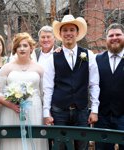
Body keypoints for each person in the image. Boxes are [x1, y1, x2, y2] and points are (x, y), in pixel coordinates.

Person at [43, 14, 100, 150]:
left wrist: (95, 110)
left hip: (82, 111)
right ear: (61, 33)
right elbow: (48, 87)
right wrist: (46, 113)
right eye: (65, 30)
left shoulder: (89, 55)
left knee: (82, 146)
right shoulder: (53, 57)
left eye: (71, 30)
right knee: (60, 147)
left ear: (77, 32)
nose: (68, 33)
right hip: (59, 111)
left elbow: (94, 84)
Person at [0, 32, 48, 150]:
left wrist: (46, 114)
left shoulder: (39, 69)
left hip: (34, 111)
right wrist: (10, 104)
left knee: (34, 140)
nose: (22, 49)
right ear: (15, 49)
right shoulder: (6, 68)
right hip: (10, 111)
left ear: (31, 48)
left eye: (25, 45)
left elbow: (44, 94)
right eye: (19, 46)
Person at [95, 23, 124, 150]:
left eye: (118, 34)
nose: (114, 37)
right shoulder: (97, 59)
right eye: (111, 35)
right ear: (105, 38)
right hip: (102, 117)